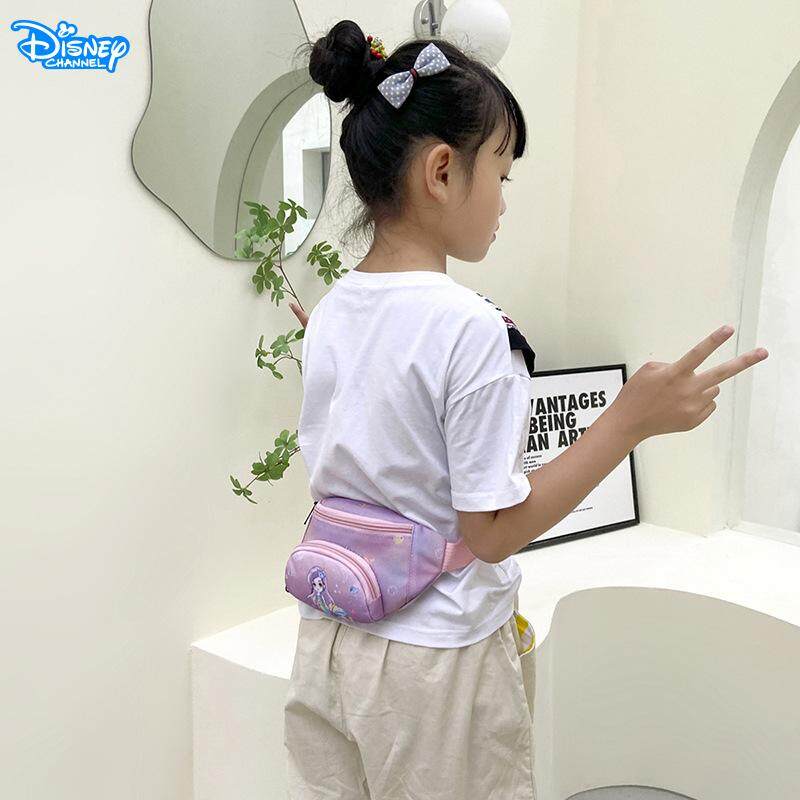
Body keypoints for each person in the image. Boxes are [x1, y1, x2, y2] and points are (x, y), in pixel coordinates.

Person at [282, 19, 769, 800]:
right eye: (502, 175)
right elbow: (492, 531)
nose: (504, 201)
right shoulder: (471, 329)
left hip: (327, 640)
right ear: (443, 172)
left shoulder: (333, 309)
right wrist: (628, 421)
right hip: (436, 664)